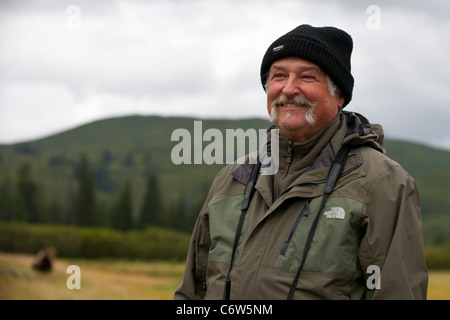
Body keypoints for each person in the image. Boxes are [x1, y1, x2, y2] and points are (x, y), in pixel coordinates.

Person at [174, 24, 428, 300]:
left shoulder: (382, 183)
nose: (289, 88)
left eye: (307, 77)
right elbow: (193, 292)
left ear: (339, 95)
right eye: (278, 76)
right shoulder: (232, 179)